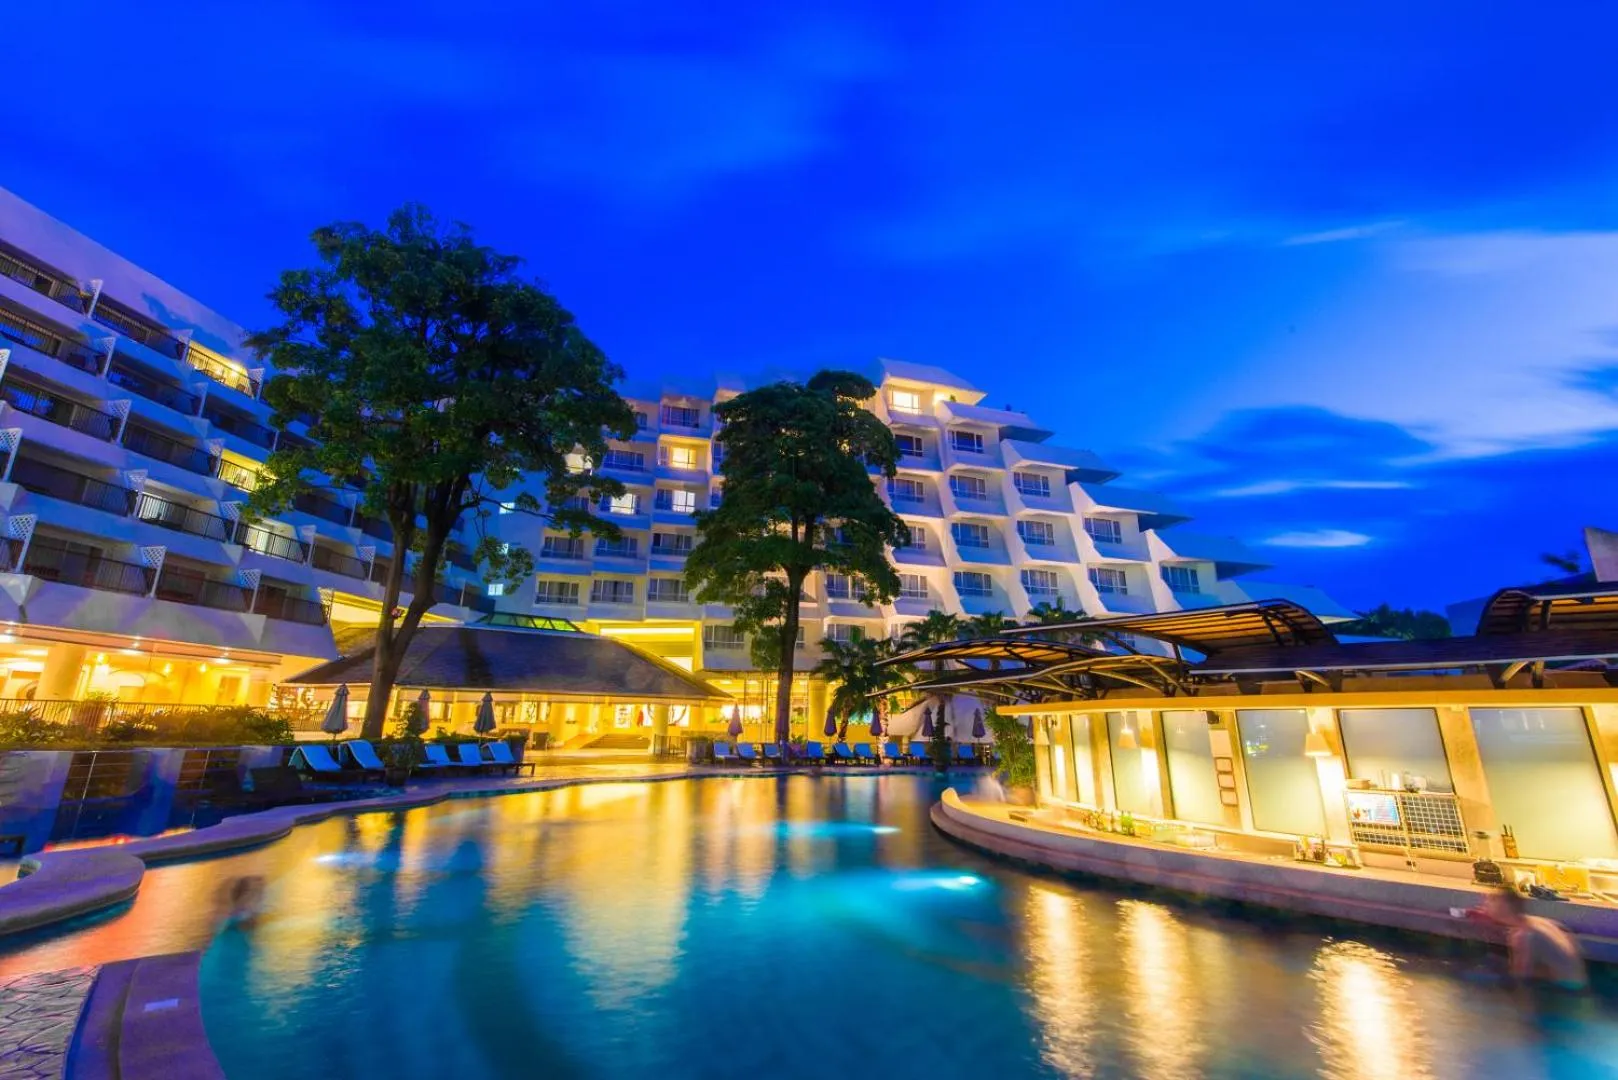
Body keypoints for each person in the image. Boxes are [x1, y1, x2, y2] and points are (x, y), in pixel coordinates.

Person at [1469, 887, 1588, 991]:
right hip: (1579, 984)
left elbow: (1520, 978)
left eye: (1490, 900)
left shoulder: (1522, 935)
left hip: (1563, 992)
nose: (1485, 904)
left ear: (1504, 907)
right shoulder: (1538, 921)